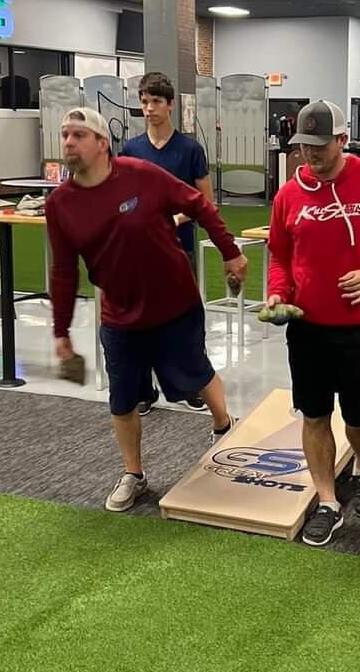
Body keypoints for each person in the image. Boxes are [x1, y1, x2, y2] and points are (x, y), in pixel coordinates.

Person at [46, 108, 248, 512]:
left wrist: (230, 252)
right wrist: (61, 331)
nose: (68, 142)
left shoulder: (141, 175)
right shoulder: (60, 204)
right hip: (120, 316)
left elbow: (199, 205)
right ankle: (133, 474)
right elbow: (64, 272)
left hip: (175, 304)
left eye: (78, 135)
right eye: (65, 134)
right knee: (123, 398)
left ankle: (223, 425)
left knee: (194, 377)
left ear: (102, 144)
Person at [267, 99, 360, 547]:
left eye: (320, 144)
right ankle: (328, 501)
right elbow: (280, 255)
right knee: (314, 415)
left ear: (343, 140)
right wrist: (278, 293)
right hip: (307, 328)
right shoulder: (288, 195)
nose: (310, 153)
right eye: (304, 144)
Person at [121, 70, 214, 412]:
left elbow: (205, 201)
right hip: (140, 253)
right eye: (145, 102)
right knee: (140, 321)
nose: (149, 109)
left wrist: (174, 219)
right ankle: (144, 391)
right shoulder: (131, 149)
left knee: (184, 320)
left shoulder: (190, 150)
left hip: (178, 249)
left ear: (171, 105)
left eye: (156, 102)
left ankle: (191, 384)